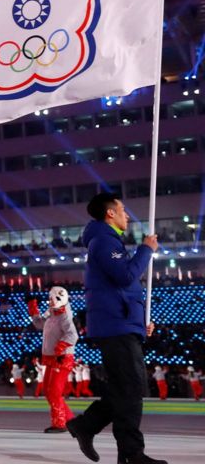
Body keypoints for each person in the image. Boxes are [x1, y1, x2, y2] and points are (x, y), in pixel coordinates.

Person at [66, 192, 165, 464]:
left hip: (120, 323)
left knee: (127, 389)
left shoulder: (108, 240)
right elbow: (125, 276)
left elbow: (121, 288)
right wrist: (146, 249)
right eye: (122, 210)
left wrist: (139, 322)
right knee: (131, 389)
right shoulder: (103, 241)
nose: (127, 215)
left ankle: (90, 427)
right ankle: (129, 453)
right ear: (110, 213)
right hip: (115, 325)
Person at [28, 286, 78, 433]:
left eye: (53, 298)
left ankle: (60, 423)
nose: (50, 301)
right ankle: (71, 420)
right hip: (52, 357)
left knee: (54, 391)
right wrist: (33, 308)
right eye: (50, 298)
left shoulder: (64, 315)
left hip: (62, 358)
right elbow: (39, 324)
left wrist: (60, 348)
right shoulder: (52, 312)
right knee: (48, 390)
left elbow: (73, 335)